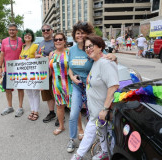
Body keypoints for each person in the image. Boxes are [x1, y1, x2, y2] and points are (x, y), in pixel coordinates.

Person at [67, 21, 118, 153]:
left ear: (88, 34)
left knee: (94, 116)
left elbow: (106, 58)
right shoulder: (72, 50)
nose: (80, 35)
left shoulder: (92, 46)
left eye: (83, 33)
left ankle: (98, 143)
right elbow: (70, 67)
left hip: (93, 87)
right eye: (77, 33)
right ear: (74, 35)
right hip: (78, 86)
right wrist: (72, 76)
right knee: (73, 114)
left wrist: (114, 56)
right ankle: (72, 139)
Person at [0, 23, 24, 117]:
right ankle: (10, 107)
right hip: (8, 69)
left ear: (17, 31)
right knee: (7, 89)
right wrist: (0, 67)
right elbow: (2, 54)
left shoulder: (21, 40)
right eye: (10, 30)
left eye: (13, 30)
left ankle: (20, 107)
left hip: (19, 69)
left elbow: (26, 51)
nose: (11, 31)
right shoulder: (4, 41)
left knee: (20, 88)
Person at [49, 32, 72, 135]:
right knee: (59, 107)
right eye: (56, 40)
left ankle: (80, 129)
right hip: (56, 85)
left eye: (60, 39)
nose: (58, 41)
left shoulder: (69, 52)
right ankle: (61, 126)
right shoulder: (51, 54)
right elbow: (50, 71)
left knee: (73, 107)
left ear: (64, 41)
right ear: (54, 42)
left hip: (69, 85)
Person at [35, 24, 56, 124]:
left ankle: (61, 116)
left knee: (56, 93)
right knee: (47, 94)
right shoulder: (41, 43)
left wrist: (45, 58)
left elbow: (60, 54)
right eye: (43, 30)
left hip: (54, 73)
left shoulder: (56, 41)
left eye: (48, 30)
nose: (45, 31)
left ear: (51, 31)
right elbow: (37, 53)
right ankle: (51, 112)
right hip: (43, 73)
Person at [19, 29, 40, 121]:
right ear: (23, 37)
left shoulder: (35, 46)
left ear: (32, 37)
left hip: (34, 72)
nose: (27, 36)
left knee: (35, 92)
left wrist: (31, 59)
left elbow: (38, 58)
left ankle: (36, 111)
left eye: (29, 35)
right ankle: (32, 110)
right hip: (25, 73)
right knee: (29, 93)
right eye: (25, 35)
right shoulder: (23, 47)